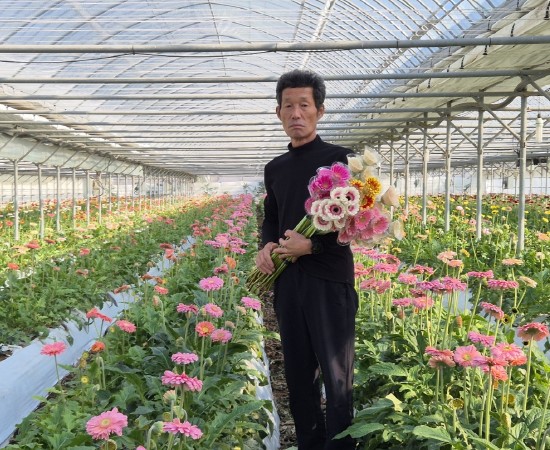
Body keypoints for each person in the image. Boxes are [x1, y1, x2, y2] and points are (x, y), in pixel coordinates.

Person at [255, 69, 358, 450]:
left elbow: (354, 224)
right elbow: (271, 216)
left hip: (329, 280)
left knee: (337, 376)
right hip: (288, 282)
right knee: (298, 375)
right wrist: (266, 245)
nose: (296, 113)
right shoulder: (275, 168)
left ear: (320, 111)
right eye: (288, 106)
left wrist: (312, 246)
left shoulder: (340, 161)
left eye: (304, 105)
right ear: (278, 112)